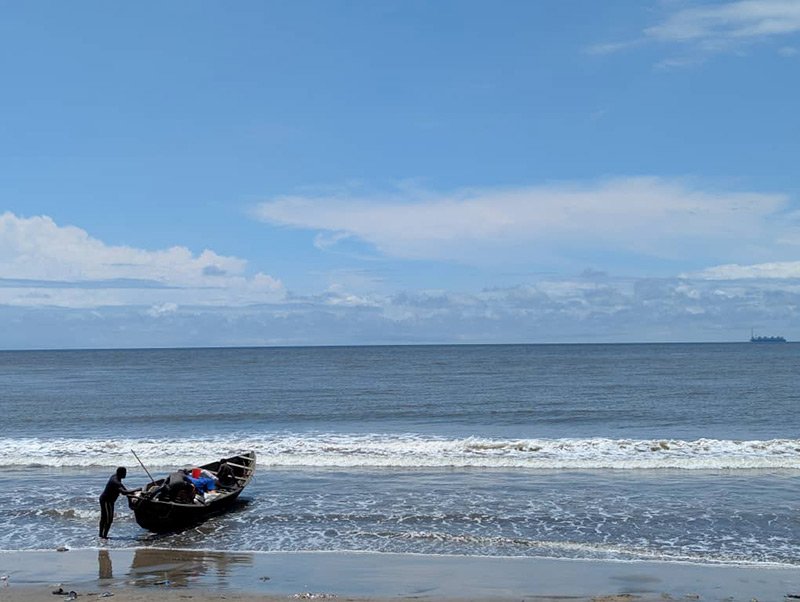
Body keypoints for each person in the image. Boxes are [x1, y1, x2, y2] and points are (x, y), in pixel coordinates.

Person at [99, 466, 138, 539]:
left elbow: (122, 487)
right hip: (107, 501)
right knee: (108, 519)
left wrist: (130, 498)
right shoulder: (115, 481)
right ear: (120, 473)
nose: (125, 474)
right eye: (124, 473)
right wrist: (136, 490)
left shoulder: (116, 477)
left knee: (104, 518)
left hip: (106, 500)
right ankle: (104, 536)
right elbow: (123, 492)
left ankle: (101, 535)